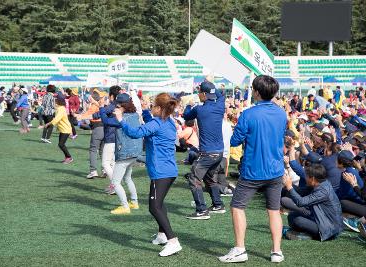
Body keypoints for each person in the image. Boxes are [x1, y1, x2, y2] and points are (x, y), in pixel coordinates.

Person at [219, 75, 286, 263]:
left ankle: (240, 248)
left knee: (237, 207)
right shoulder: (281, 113)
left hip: (253, 170)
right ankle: (276, 251)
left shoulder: (248, 114)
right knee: (274, 210)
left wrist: (238, 127)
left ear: (256, 92)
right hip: (275, 169)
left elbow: (235, 141)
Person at [114, 92, 182, 257]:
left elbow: (135, 133)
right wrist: (144, 110)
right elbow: (152, 122)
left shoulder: (157, 124)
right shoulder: (168, 122)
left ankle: (173, 241)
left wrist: (120, 119)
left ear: (159, 108)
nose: (151, 108)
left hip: (161, 172)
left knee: (154, 207)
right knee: (160, 204)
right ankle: (162, 235)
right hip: (169, 170)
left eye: (152, 106)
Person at [183, 80, 225, 220]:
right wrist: (211, 85)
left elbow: (186, 116)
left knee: (194, 178)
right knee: (209, 178)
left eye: (199, 92)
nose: (198, 94)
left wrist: (188, 105)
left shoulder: (199, 109)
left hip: (208, 152)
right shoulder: (220, 105)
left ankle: (201, 210)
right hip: (219, 152)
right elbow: (220, 95)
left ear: (204, 94)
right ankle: (218, 205)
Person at [100, 93, 142, 215]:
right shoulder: (135, 115)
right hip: (135, 152)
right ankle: (134, 202)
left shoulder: (121, 117)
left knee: (115, 182)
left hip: (125, 153)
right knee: (128, 178)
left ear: (121, 105)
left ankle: (125, 206)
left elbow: (106, 121)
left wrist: (102, 108)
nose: (115, 106)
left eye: (117, 105)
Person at [282, 164, 343, 241]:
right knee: (292, 216)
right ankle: (307, 233)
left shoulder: (323, 191)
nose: (306, 178)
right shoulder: (321, 184)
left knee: (298, 220)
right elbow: (301, 191)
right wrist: (287, 184)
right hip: (321, 219)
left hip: (330, 229)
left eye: (307, 176)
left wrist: (290, 187)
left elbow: (301, 202)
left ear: (313, 179)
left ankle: (308, 235)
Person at [92, 85, 121, 192]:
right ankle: (114, 186)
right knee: (112, 162)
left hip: (110, 137)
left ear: (112, 96)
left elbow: (100, 113)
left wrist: (99, 106)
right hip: (118, 138)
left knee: (105, 163)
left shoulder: (112, 105)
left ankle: (115, 185)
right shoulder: (119, 105)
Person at [45, 95, 73, 164]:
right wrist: (49, 123)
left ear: (59, 101)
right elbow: (56, 118)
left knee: (61, 144)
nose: (54, 101)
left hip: (65, 129)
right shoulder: (59, 108)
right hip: (63, 129)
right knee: (60, 144)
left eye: (56, 100)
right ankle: (67, 157)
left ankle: (69, 157)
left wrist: (50, 125)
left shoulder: (61, 109)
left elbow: (57, 119)